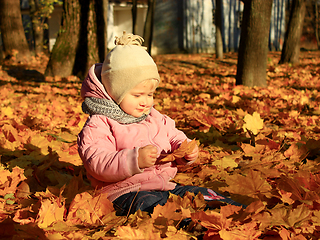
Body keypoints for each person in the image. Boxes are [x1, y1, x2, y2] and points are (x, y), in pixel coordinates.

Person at [77, 31, 245, 216]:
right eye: (137, 95)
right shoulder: (100, 123)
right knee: (154, 207)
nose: (145, 102)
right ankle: (194, 226)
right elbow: (97, 161)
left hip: (164, 186)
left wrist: (184, 149)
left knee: (198, 194)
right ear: (115, 93)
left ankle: (238, 212)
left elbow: (172, 135)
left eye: (150, 94)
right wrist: (134, 160)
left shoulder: (153, 116)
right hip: (124, 193)